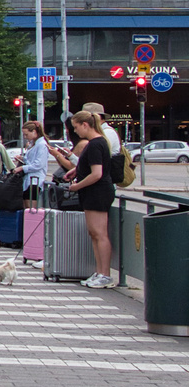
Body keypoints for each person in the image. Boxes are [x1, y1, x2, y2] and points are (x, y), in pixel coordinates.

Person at [60, 110, 117, 288]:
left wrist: (77, 186)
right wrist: (76, 171)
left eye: (76, 127)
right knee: (94, 233)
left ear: (85, 125)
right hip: (94, 192)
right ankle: (100, 271)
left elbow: (97, 173)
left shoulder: (95, 144)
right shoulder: (97, 143)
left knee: (99, 233)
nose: (75, 131)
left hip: (97, 192)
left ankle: (105, 273)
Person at [19, 121, 51, 206]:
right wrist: (23, 159)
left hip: (35, 179)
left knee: (31, 208)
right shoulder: (34, 144)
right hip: (30, 179)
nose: (25, 137)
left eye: (26, 134)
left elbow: (39, 164)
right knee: (27, 205)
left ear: (34, 131)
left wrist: (22, 168)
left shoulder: (41, 145)